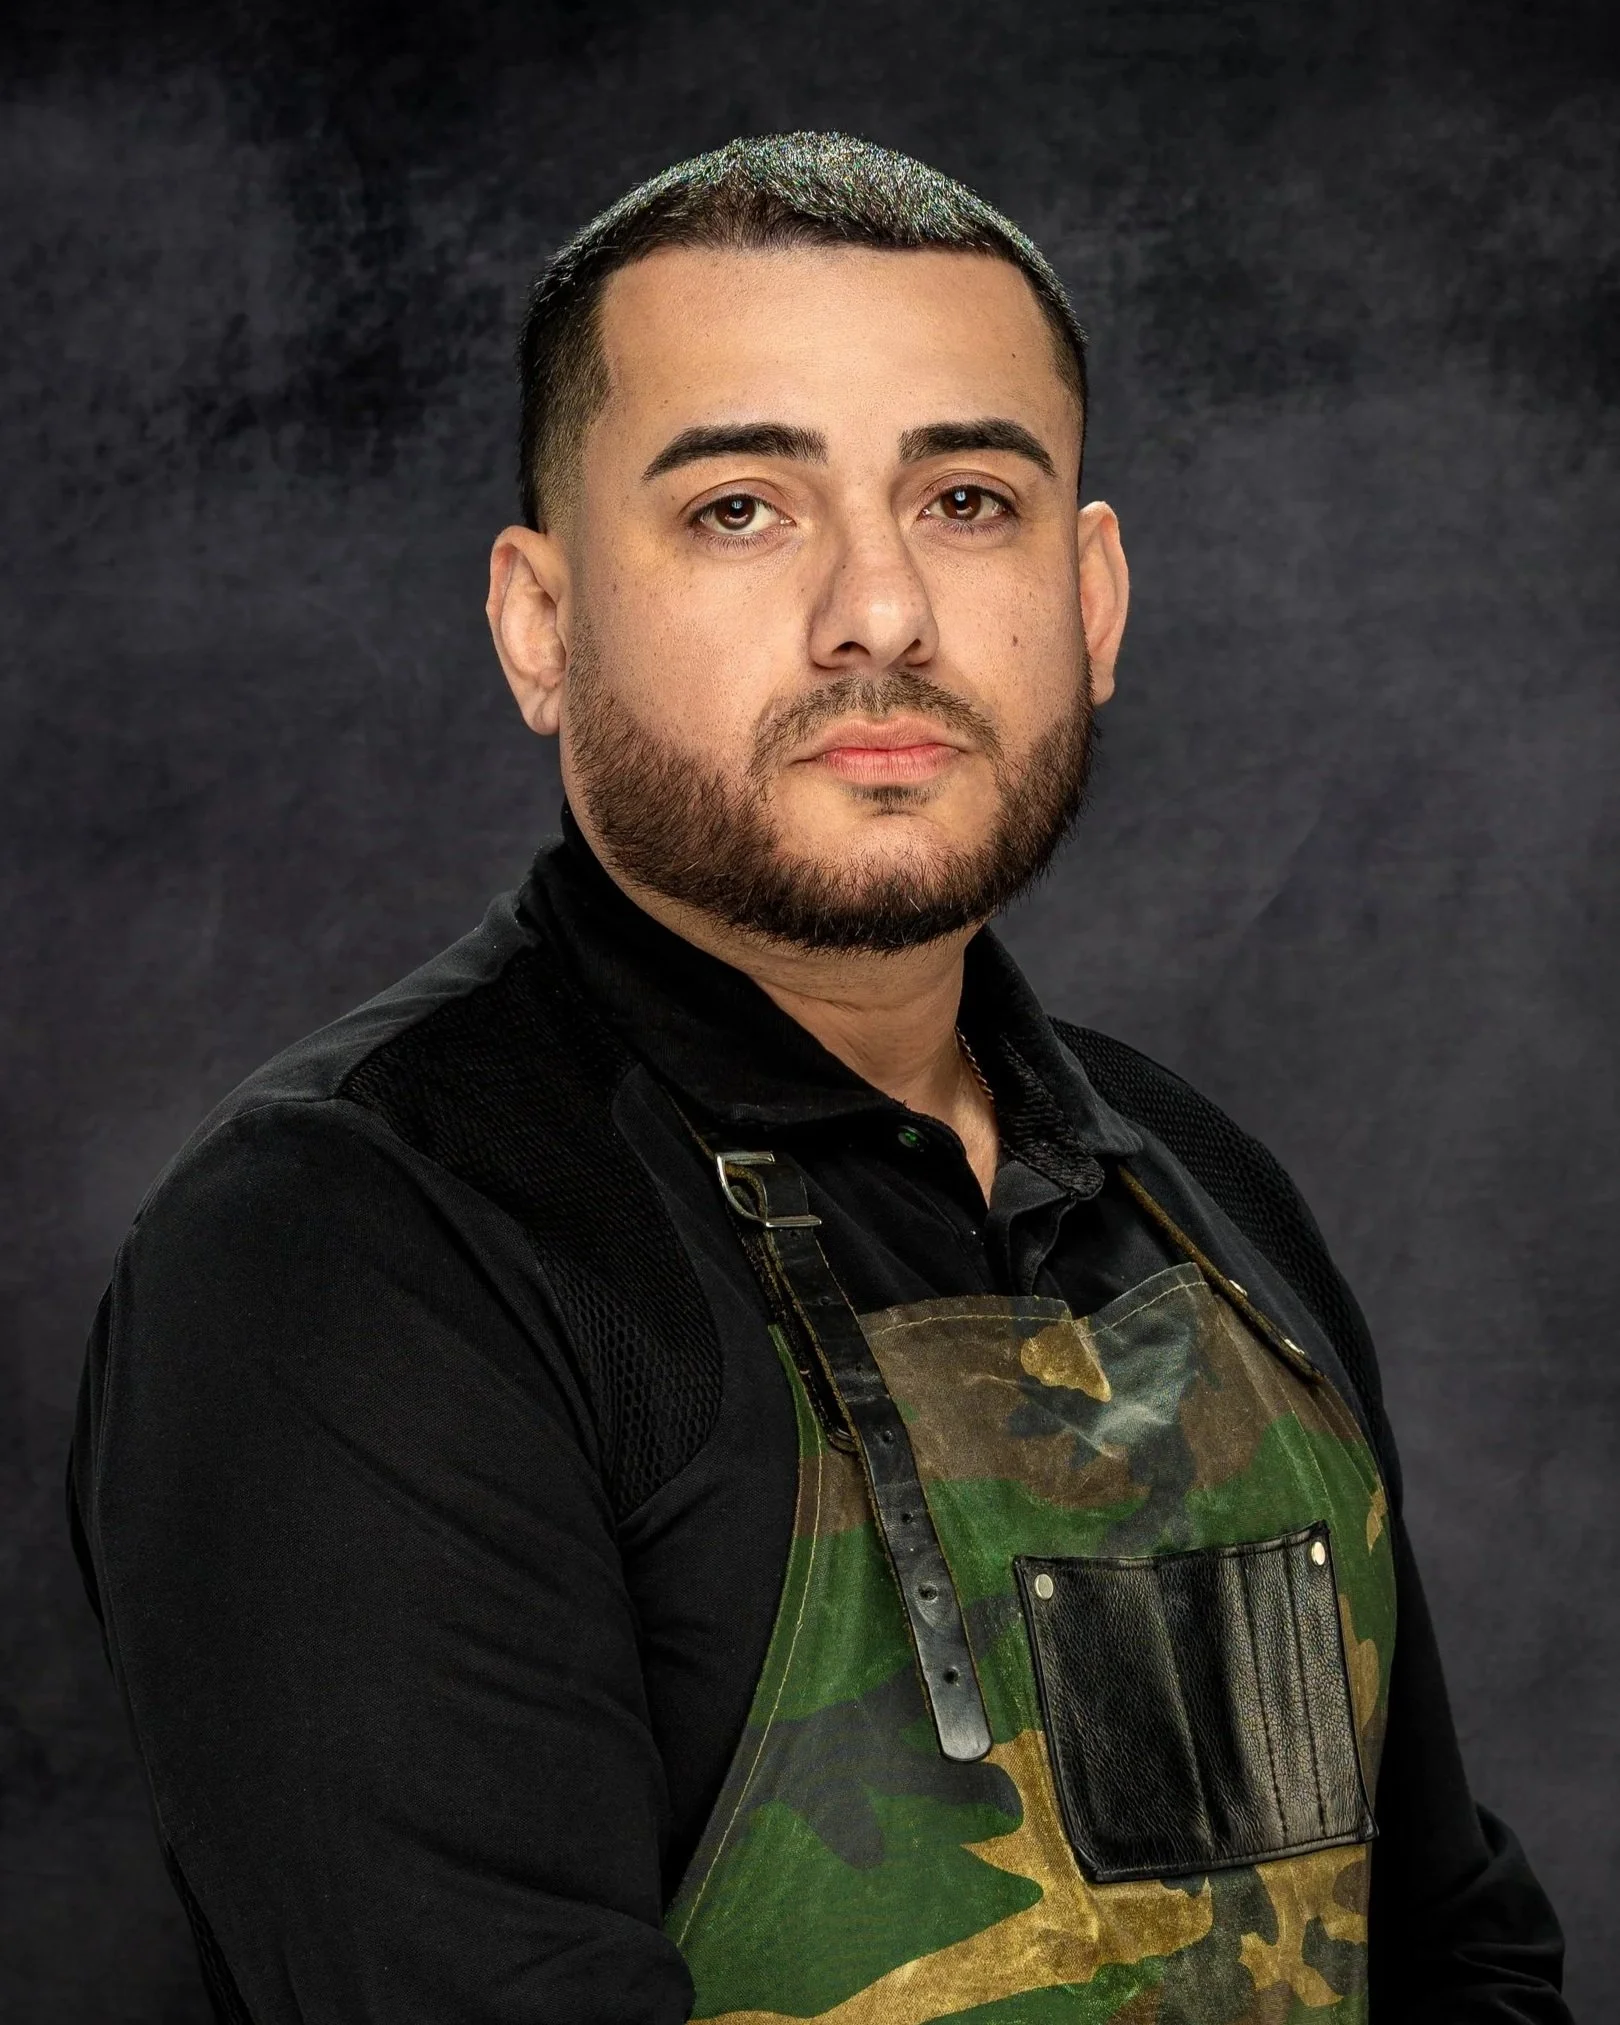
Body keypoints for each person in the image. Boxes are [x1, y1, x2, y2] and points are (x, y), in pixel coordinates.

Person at [69, 133, 1571, 2024]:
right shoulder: (350, 1253)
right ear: (543, 626)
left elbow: (1456, 1959)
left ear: (1092, 604)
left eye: (963, 498)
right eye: (740, 512)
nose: (880, 611)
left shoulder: (1200, 1195)